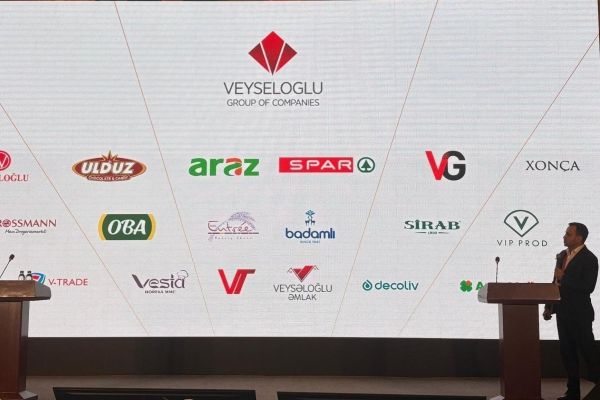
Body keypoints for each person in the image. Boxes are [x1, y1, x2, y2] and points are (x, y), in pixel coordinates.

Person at [544, 222, 600, 400]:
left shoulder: (590, 258)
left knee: (588, 353)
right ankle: (573, 392)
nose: (564, 236)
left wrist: (564, 277)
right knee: (567, 354)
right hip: (562, 312)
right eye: (565, 233)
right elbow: (555, 283)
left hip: (580, 314)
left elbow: (588, 287)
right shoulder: (562, 255)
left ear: (579, 238)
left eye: (568, 234)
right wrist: (549, 306)